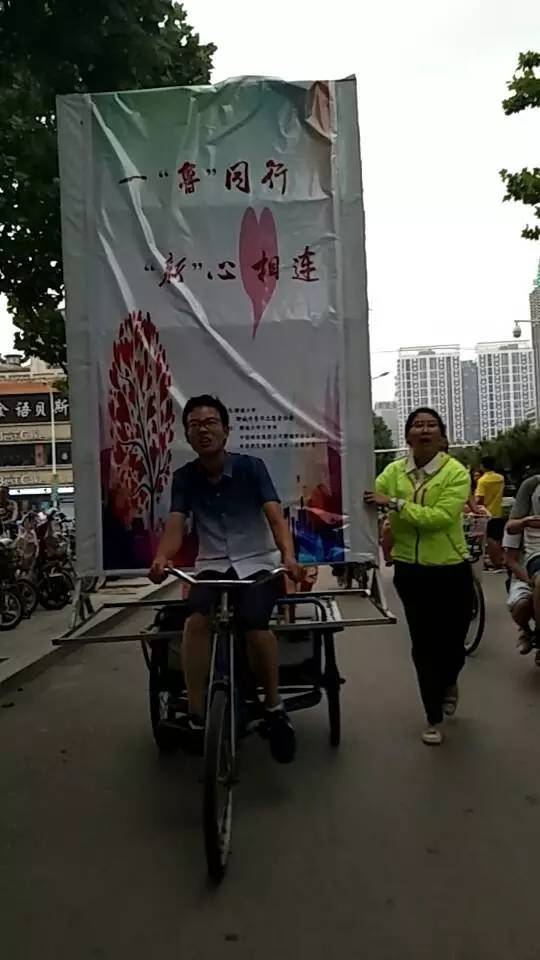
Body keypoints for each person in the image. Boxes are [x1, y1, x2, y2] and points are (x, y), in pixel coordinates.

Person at [149, 395, 302, 763]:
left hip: (257, 564)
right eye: (195, 425)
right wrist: (163, 557)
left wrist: (288, 555)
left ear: (226, 430)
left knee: (255, 624)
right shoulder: (185, 478)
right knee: (196, 622)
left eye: (210, 423)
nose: (203, 430)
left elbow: (275, 517)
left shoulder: (252, 468)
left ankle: (273, 705)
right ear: (187, 434)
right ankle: (197, 715)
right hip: (212, 566)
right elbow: (176, 526)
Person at [364, 407, 473, 746]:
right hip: (411, 572)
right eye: (417, 425)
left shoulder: (456, 473)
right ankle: (433, 716)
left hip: (451, 570)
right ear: (408, 435)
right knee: (423, 645)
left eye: (431, 425)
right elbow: (368, 495)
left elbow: (440, 518)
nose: (424, 430)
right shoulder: (393, 472)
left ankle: (450, 679)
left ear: (441, 435)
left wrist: (395, 504)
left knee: (453, 645)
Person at [503, 473, 540, 661]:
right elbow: (510, 559)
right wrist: (530, 581)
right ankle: (531, 633)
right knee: (523, 604)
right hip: (528, 571)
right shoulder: (522, 524)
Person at [476, 456, 505, 569]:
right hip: (498, 510)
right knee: (498, 538)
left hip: (487, 513)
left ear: (482, 466)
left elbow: (480, 498)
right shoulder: (500, 478)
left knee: (490, 539)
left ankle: (496, 562)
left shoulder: (482, 481)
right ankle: (501, 559)